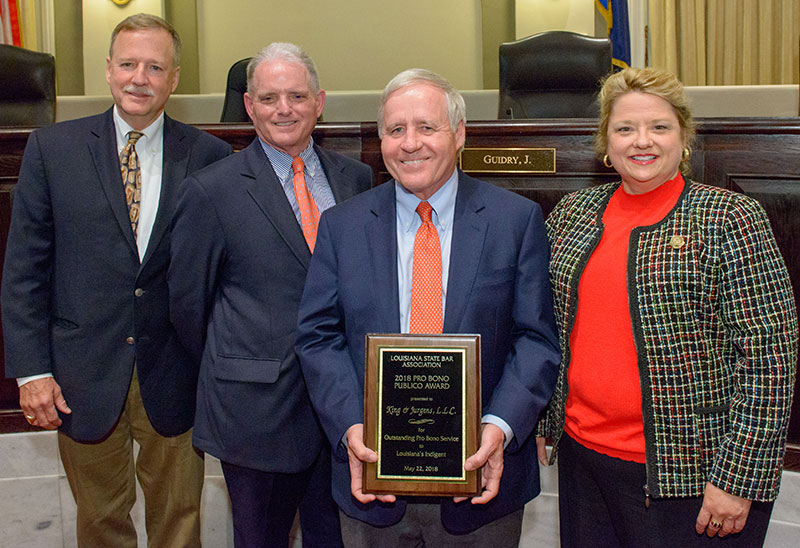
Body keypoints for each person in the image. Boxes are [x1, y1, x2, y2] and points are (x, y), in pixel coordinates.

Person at [295, 68, 560, 547]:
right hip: (370, 481)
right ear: (381, 141)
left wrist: (498, 427)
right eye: (396, 130)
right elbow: (317, 337)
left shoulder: (515, 221)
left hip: (482, 489)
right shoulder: (342, 226)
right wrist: (350, 424)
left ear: (458, 134)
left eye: (426, 127)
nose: (410, 143)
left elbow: (536, 340)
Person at [537, 66, 798, 547]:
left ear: (684, 136)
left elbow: (771, 358)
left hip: (693, 475)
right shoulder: (572, 213)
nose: (643, 141)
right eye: (625, 128)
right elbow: (546, 325)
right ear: (605, 143)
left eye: (659, 126)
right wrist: (541, 416)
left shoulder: (730, 218)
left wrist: (737, 477)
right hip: (584, 460)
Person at [1, 13, 232, 548]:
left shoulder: (211, 158)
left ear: (174, 78)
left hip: (175, 371)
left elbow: (220, 275)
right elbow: (23, 273)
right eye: (128, 64)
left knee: (180, 521)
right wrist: (32, 370)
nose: (139, 78)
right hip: (81, 373)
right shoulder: (51, 150)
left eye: (155, 67)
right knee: (101, 520)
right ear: (108, 70)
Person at [168, 42, 373, 548]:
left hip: (344, 413)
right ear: (250, 105)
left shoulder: (357, 178)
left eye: (297, 96)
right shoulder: (210, 191)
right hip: (254, 414)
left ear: (319, 102)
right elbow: (188, 306)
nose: (284, 108)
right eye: (270, 97)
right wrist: (242, 363)